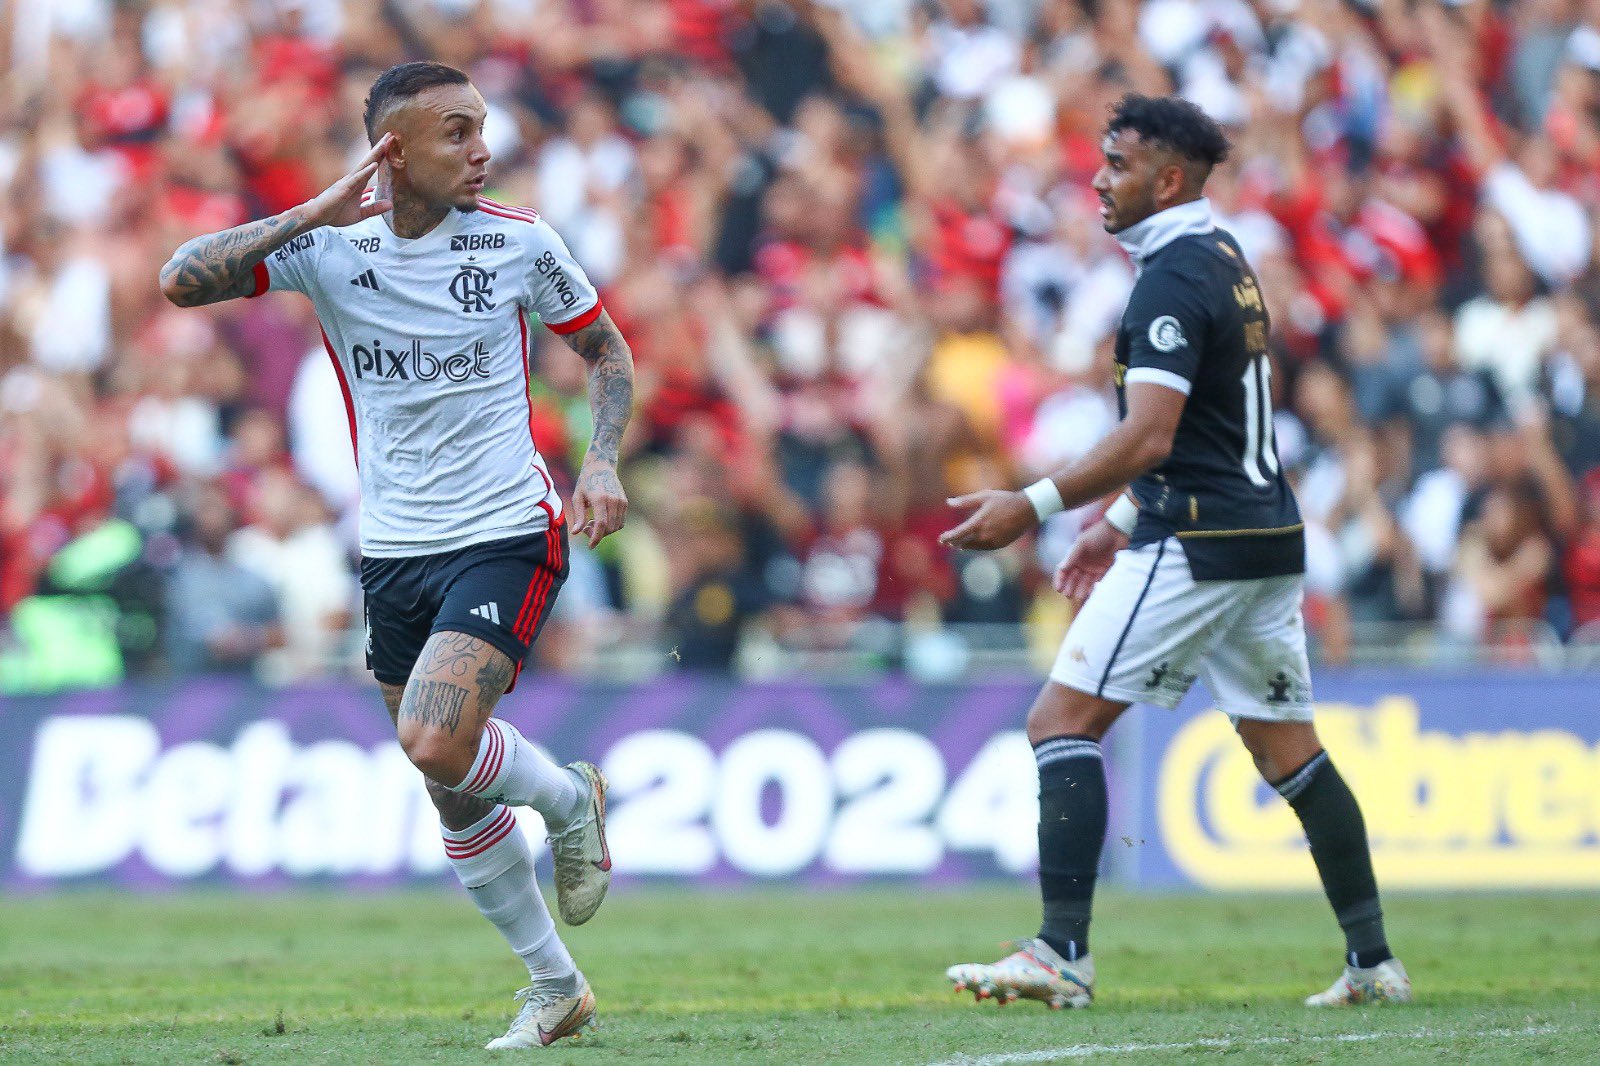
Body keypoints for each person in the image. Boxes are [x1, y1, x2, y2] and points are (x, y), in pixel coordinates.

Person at [159, 61, 634, 1048]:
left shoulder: (517, 242)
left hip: (505, 529)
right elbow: (179, 280)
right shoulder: (333, 251)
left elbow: (606, 352)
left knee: (432, 736)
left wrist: (601, 463)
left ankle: (568, 800)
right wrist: (312, 211)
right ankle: (557, 986)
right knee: (449, 782)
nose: (481, 149)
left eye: (481, 128)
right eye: (455, 132)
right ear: (394, 150)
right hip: (392, 549)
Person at [939, 95, 1410, 1011]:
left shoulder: (1170, 280)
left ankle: (1060, 953)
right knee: (1290, 755)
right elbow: (1208, 429)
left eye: (1115, 165)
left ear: (1166, 178)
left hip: (1199, 542)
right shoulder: (1224, 258)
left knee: (1059, 722)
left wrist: (1030, 505)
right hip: (1265, 537)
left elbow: (1152, 435)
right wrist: (1111, 523)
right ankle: (1372, 962)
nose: (1096, 180)